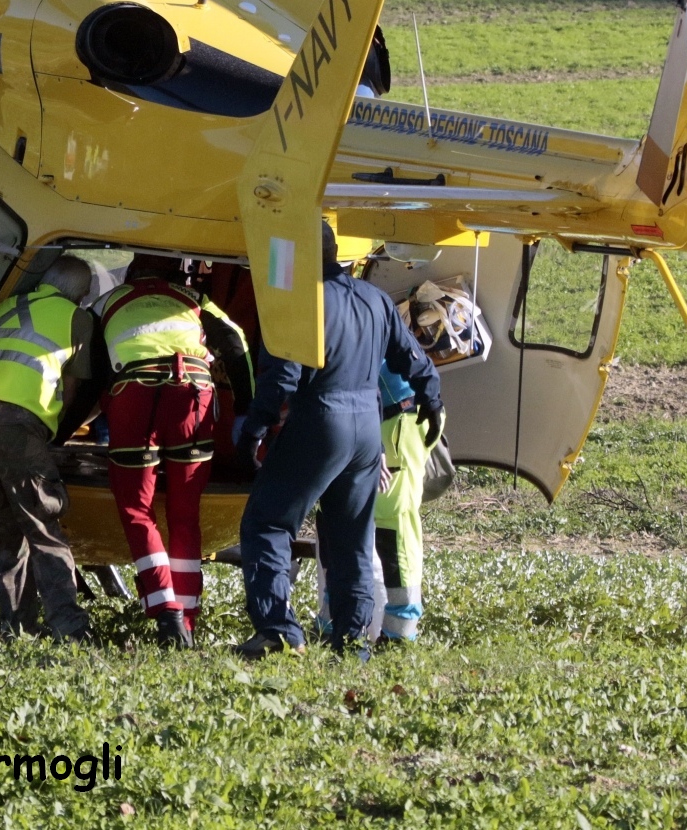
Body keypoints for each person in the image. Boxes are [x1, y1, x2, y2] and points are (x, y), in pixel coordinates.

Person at [234, 221, 442, 658]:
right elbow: (414, 360)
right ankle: (351, 642)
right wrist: (432, 402)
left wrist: (253, 430)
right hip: (367, 431)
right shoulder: (375, 299)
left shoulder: (300, 303)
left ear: (302, 257)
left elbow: (283, 377)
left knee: (268, 523)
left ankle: (278, 632)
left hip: (319, 422)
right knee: (351, 537)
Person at [95, 254, 252, 648]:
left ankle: (165, 611)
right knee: (186, 514)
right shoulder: (195, 298)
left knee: (136, 509)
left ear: (133, 271)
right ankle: (189, 618)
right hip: (193, 395)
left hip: (133, 394)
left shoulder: (109, 301)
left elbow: (92, 368)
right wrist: (247, 407)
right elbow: (235, 346)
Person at [0, 256, 97, 642]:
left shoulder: (7, 305)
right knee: (42, 525)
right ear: (81, 294)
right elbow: (73, 389)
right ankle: (70, 628)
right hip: (13, 425)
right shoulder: (75, 317)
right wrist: (57, 433)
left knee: (5, 530)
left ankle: (16, 626)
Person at [316, 363, 436, 643]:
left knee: (391, 523)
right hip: (362, 412)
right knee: (334, 512)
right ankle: (335, 616)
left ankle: (400, 630)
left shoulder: (350, 321)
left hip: (394, 415)